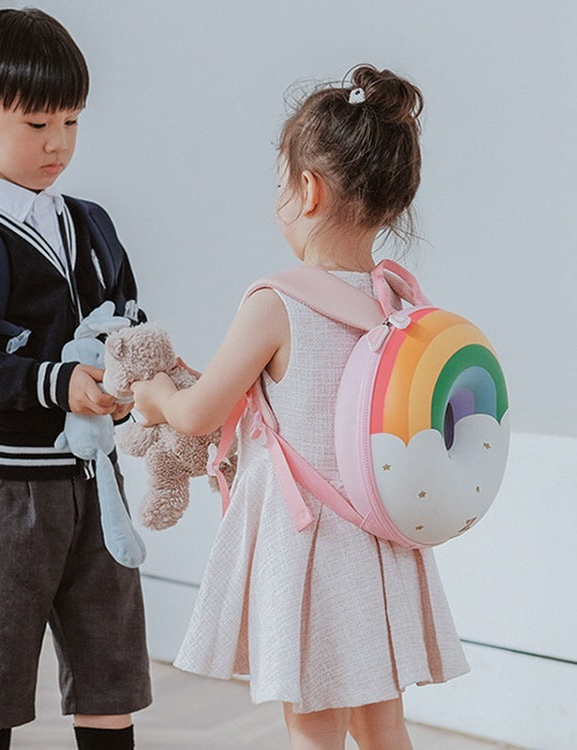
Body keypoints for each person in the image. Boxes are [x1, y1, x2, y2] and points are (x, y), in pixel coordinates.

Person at [130, 65, 470, 750]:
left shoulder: (277, 303)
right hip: (382, 541)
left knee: (311, 728)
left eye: (281, 181)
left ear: (307, 190)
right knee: (383, 722)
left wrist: (156, 395)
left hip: (311, 545)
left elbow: (198, 415)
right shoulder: (401, 306)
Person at [0, 9, 151, 750]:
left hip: (96, 488)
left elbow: (132, 328)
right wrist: (58, 383)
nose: (59, 144)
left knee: (111, 680)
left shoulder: (93, 224)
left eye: (72, 122)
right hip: (2, 495)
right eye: (38, 123)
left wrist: (146, 376)